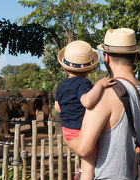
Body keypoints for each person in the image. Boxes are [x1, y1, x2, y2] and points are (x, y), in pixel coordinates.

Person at [64, 28, 140, 180]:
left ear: (106, 57)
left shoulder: (106, 94)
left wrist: (66, 136)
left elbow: (84, 149)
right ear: (135, 57)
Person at [55, 40, 115, 180]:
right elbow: (87, 102)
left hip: (67, 130)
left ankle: (80, 172)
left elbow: (58, 107)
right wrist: (100, 85)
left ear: (65, 68)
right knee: (89, 163)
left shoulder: (61, 85)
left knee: (84, 159)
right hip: (80, 131)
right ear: (90, 69)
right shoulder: (83, 83)